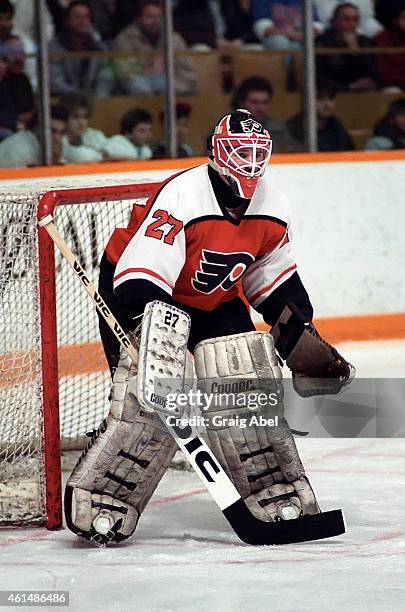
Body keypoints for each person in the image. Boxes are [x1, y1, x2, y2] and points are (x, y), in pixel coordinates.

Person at [64, 108, 354, 545]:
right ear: (217, 153)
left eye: (258, 152)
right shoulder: (184, 194)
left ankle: (273, 494)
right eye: (241, 151)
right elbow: (141, 273)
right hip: (136, 288)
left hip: (214, 301)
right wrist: (159, 334)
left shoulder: (274, 204)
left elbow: (270, 272)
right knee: (151, 397)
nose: (250, 162)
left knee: (244, 385)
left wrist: (294, 328)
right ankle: (104, 497)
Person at [112, 0, 196, 95]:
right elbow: (126, 75)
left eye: (159, 17)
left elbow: (187, 73)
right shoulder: (124, 39)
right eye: (149, 17)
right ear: (139, 19)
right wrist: (150, 73)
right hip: (139, 94)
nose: (155, 21)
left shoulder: (175, 39)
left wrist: (172, 87)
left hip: (172, 92)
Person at [48, 1, 113, 96]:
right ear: (67, 21)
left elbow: (106, 78)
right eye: (77, 17)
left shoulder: (99, 48)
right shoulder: (54, 47)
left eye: (86, 17)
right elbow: (54, 81)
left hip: (94, 102)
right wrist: (78, 96)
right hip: (64, 101)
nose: (83, 22)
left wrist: (98, 99)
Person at [316, 3, 378, 92]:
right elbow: (319, 78)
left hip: (364, 94)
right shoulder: (321, 43)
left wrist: (355, 52)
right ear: (333, 21)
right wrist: (349, 87)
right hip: (331, 96)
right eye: (346, 19)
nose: (351, 24)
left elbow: (372, 74)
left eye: (355, 19)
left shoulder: (365, 42)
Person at [231, 76, 302, 152]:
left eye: (264, 102)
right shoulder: (225, 128)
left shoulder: (279, 130)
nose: (260, 108)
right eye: (254, 102)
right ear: (241, 103)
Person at [286, 83, 355, 151]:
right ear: (306, 101)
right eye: (320, 98)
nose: (327, 104)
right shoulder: (292, 127)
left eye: (330, 98)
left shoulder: (336, 125)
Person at [0, 105, 67, 167]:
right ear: (36, 127)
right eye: (52, 131)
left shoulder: (42, 144)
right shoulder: (21, 151)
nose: (57, 138)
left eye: (62, 132)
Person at [250, 0, 323, 50]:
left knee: (307, 45)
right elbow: (264, 28)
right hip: (276, 38)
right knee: (279, 42)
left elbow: (317, 27)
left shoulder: (305, 1)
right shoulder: (262, 1)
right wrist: (292, 34)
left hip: (301, 38)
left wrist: (303, 34)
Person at [59, 91, 109, 163]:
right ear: (64, 118)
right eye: (76, 117)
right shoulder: (58, 138)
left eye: (85, 117)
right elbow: (76, 155)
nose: (82, 122)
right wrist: (101, 155)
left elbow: (117, 151)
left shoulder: (95, 135)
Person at [373, 0, 405, 91]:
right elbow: (384, 74)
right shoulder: (381, 39)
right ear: (395, 20)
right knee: (391, 91)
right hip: (394, 85)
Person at [313, 0, 382, 37]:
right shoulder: (315, 1)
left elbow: (368, 20)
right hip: (328, 37)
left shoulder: (364, 1)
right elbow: (314, 22)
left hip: (360, 37)